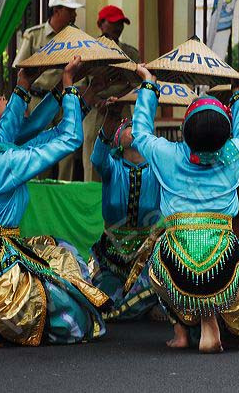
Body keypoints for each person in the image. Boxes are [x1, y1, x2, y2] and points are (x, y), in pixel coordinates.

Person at [0, 56, 109, 347]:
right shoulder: (2, 164)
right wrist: (69, 86)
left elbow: (13, 132)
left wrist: (28, 84)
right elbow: (68, 140)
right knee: (65, 263)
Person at [131, 65, 239, 353]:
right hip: (222, 261)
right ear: (225, 135)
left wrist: (149, 85)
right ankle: (213, 319)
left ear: (184, 131)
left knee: (157, 262)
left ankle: (181, 332)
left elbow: (139, 133)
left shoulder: (168, 155)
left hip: (175, 260)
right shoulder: (233, 155)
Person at [88, 96, 162, 321]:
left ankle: (143, 302)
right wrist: (111, 117)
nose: (132, 128)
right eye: (127, 125)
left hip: (148, 256)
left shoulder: (159, 170)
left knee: (162, 284)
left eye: (137, 126)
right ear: (117, 139)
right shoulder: (111, 167)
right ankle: (138, 305)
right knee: (104, 300)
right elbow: (97, 157)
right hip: (112, 256)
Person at [13, 0, 84, 181]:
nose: (74, 15)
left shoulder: (77, 37)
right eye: (70, 11)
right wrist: (22, 104)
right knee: (39, 147)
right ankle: (41, 188)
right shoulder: (34, 36)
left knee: (67, 147)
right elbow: (19, 67)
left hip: (64, 99)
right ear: (57, 11)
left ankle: (64, 188)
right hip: (38, 99)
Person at [82, 5, 142, 183]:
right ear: (101, 24)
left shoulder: (131, 53)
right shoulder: (87, 50)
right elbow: (78, 85)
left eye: (121, 23)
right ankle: (91, 200)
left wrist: (120, 99)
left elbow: (137, 84)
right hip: (94, 112)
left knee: (123, 156)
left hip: (121, 110)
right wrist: (96, 100)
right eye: (114, 22)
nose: (118, 27)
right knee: (93, 160)